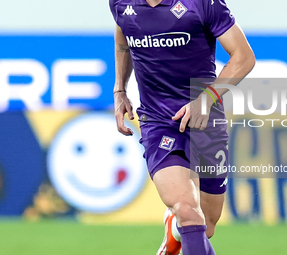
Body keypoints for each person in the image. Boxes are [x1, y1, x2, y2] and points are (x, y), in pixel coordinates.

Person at [109, 0, 255, 254]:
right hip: (158, 122)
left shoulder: (202, 3)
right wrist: (120, 88)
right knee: (188, 212)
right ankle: (180, 221)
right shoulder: (121, 3)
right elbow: (123, 29)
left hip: (206, 122)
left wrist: (206, 99)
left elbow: (244, 57)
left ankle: (173, 229)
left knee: (207, 224)